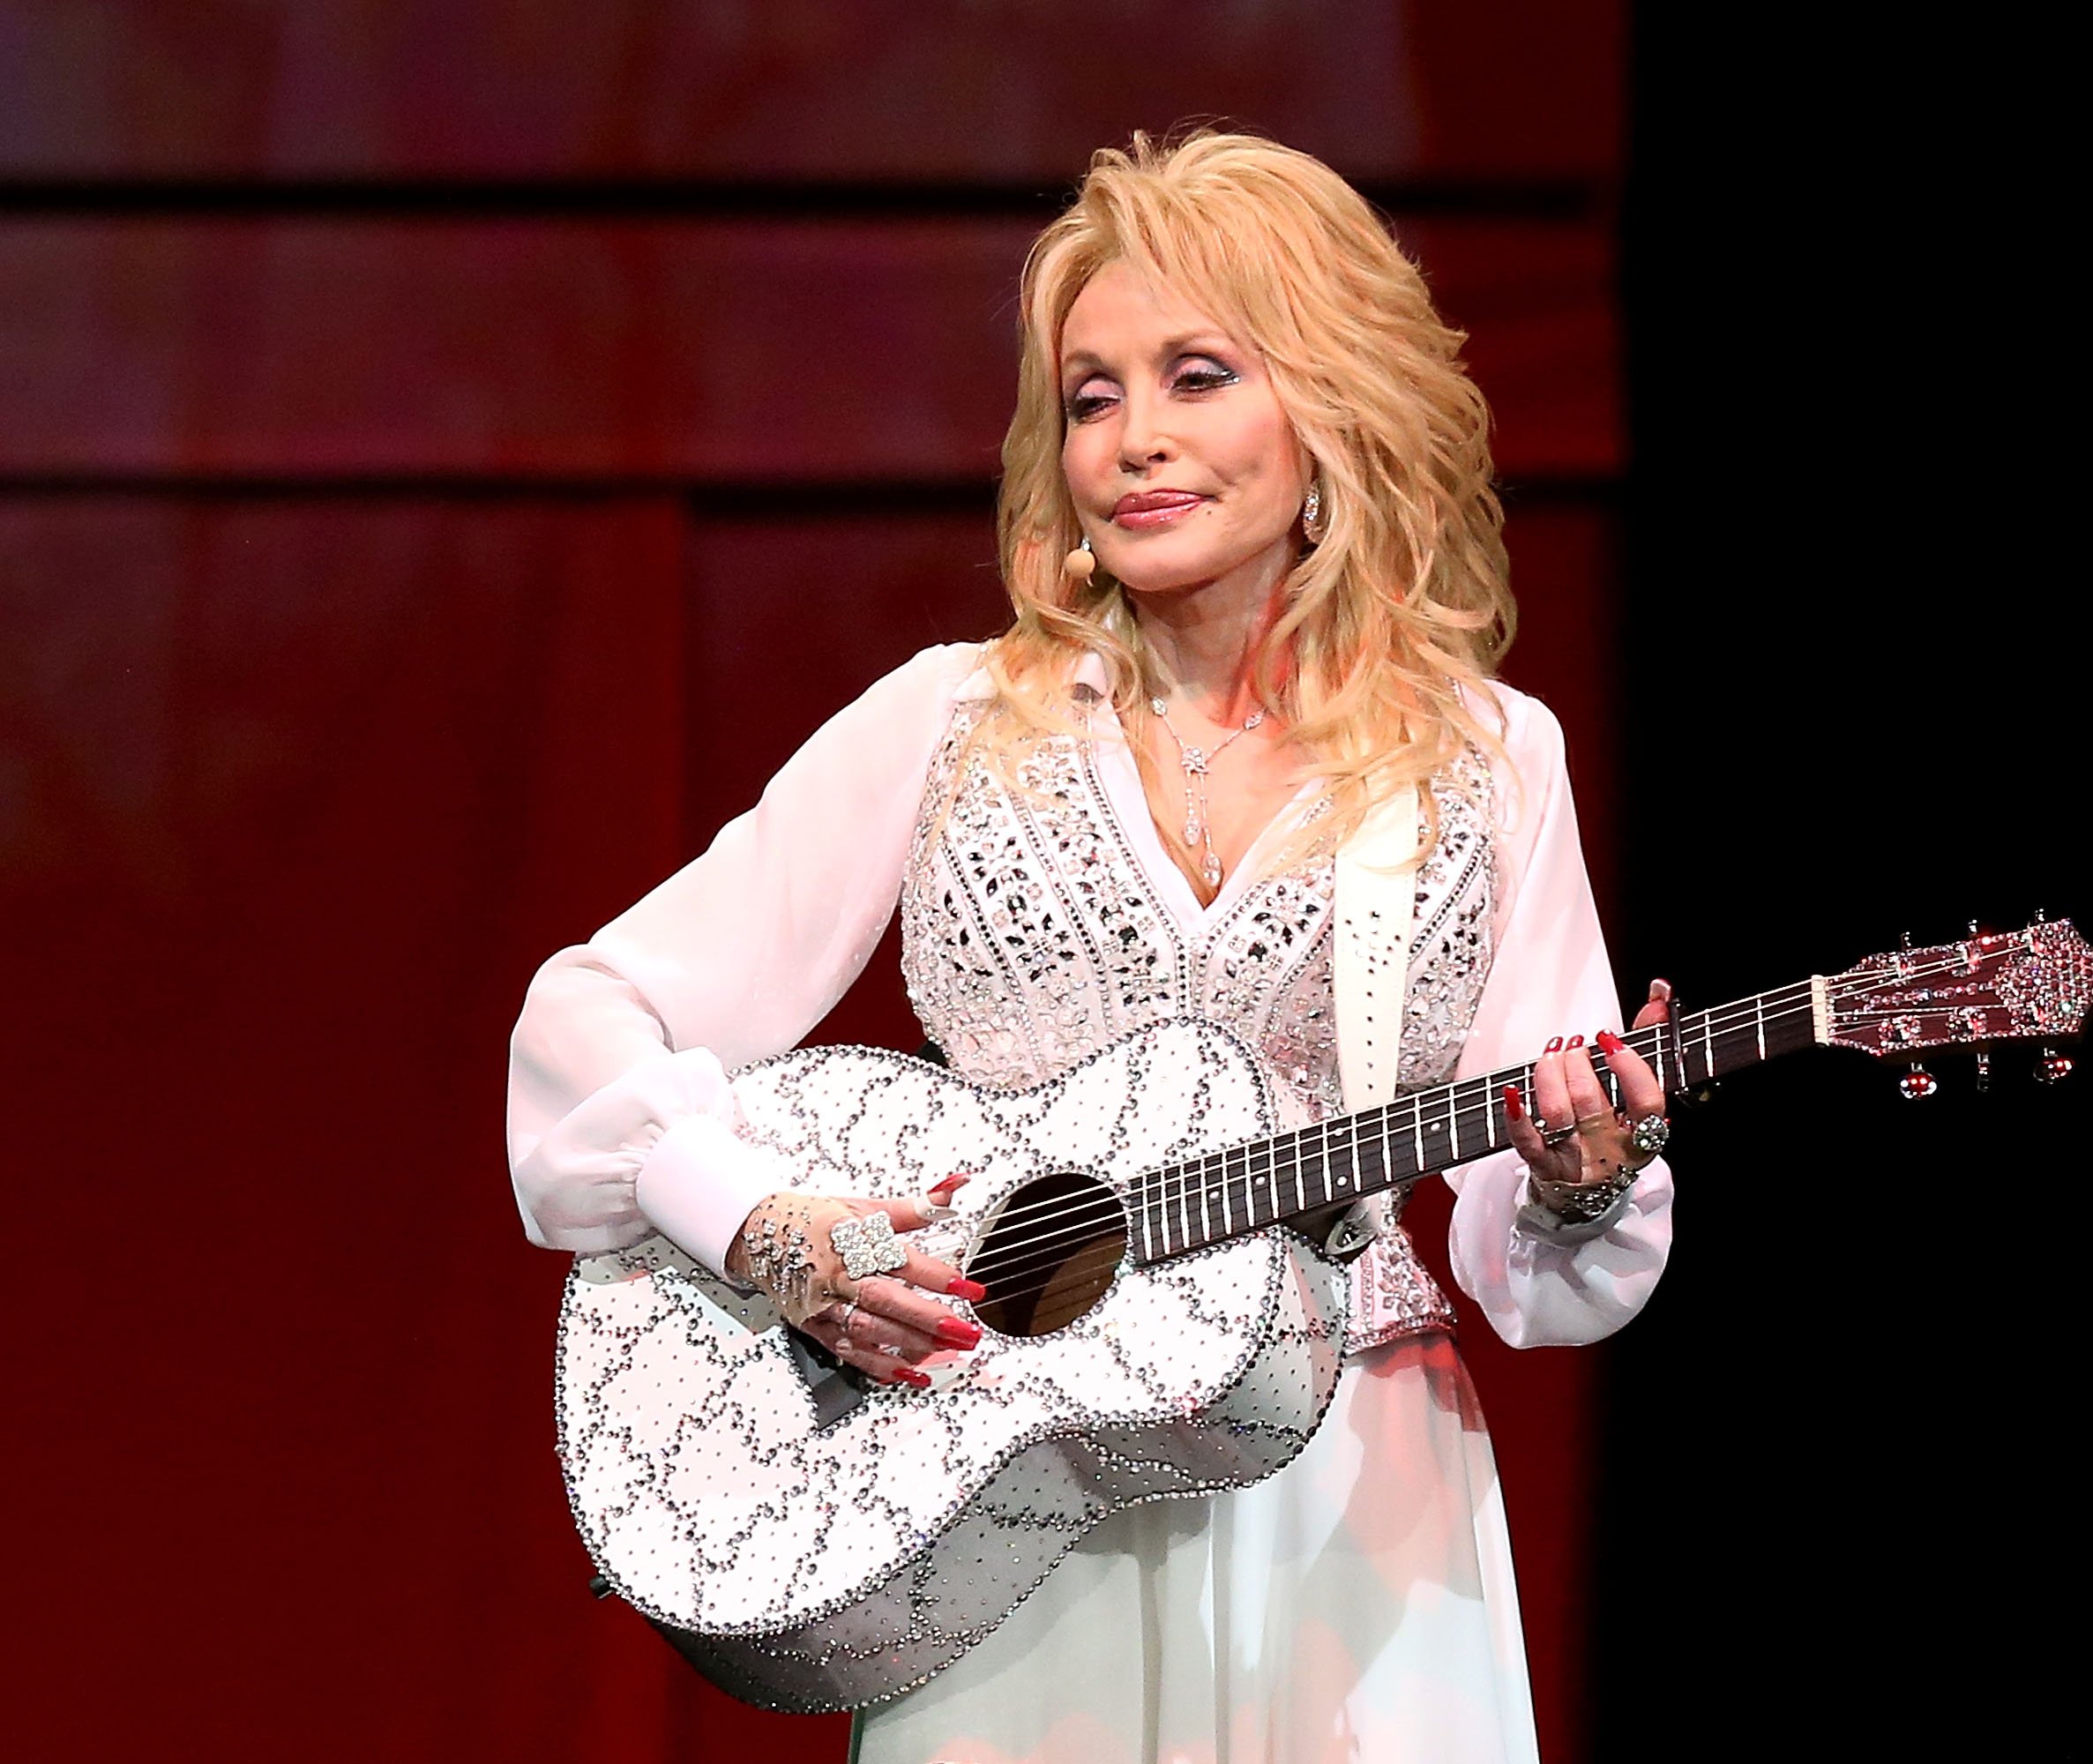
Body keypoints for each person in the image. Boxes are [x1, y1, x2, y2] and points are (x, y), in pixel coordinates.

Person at [505, 131, 1674, 1764]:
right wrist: (767, 1224)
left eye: (1197, 376)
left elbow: (1539, 1262)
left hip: (1349, 1511)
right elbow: (589, 1021)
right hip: (994, 1492)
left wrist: (1580, 1174)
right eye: (1092, 395)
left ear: (1331, 409)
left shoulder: (1481, 761)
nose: (1133, 441)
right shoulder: (950, 724)